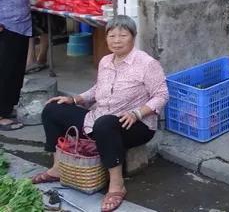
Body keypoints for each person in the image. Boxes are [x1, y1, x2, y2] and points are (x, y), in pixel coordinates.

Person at [32, 15, 169, 212]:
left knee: (105, 124)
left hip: (135, 125)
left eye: (123, 35)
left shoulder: (147, 64)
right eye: (111, 36)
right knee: (53, 109)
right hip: (98, 120)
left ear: (133, 37)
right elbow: (98, 89)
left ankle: (116, 185)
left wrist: (137, 113)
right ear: (106, 38)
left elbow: (162, 95)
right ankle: (57, 168)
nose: (117, 40)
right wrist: (75, 99)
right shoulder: (106, 61)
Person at [0, 0, 34, 131]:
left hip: (18, 27)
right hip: (8, 28)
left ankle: (7, 107)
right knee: (5, 71)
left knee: (15, 70)